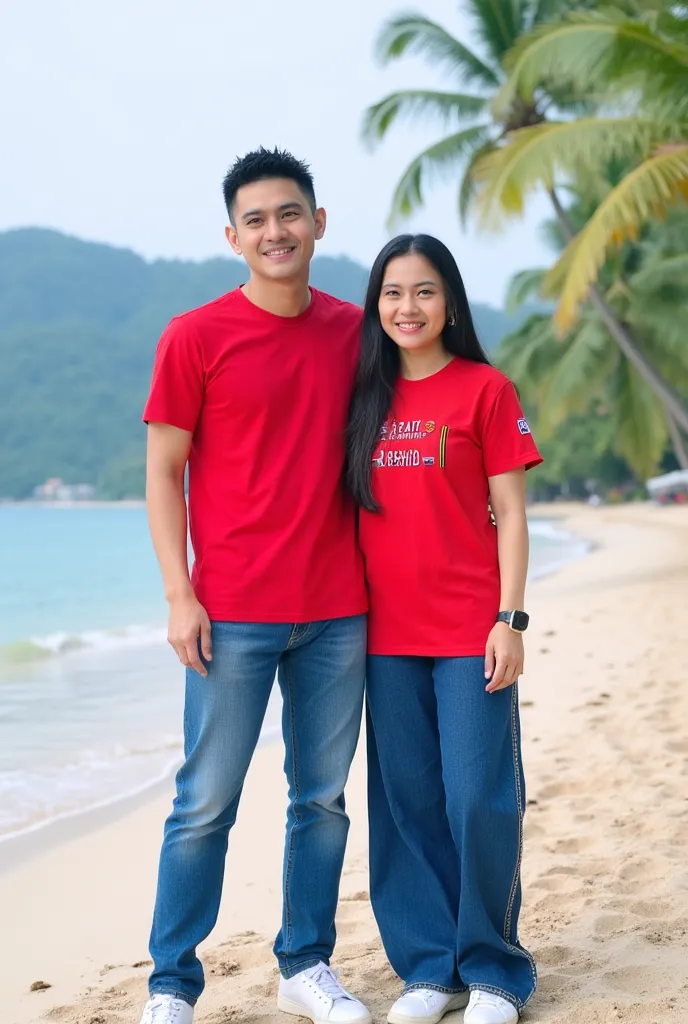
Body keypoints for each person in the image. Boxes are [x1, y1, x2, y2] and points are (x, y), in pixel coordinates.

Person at [139, 148, 372, 1024]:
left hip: (341, 613)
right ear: (232, 236)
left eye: (291, 213)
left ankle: (305, 964)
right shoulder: (194, 336)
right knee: (204, 804)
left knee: (320, 799)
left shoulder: (359, 331)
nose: (276, 232)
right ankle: (171, 985)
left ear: (319, 223)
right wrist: (178, 594)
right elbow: (163, 474)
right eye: (257, 220)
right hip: (229, 614)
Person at [346, 235, 542, 1024]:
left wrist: (512, 618)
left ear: (450, 301)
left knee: (477, 799)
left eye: (424, 292)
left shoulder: (485, 390)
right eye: (392, 293)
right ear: (376, 306)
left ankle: (494, 967)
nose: (407, 308)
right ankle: (430, 967)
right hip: (381, 637)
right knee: (407, 804)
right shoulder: (361, 399)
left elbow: (515, 514)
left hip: (470, 630)